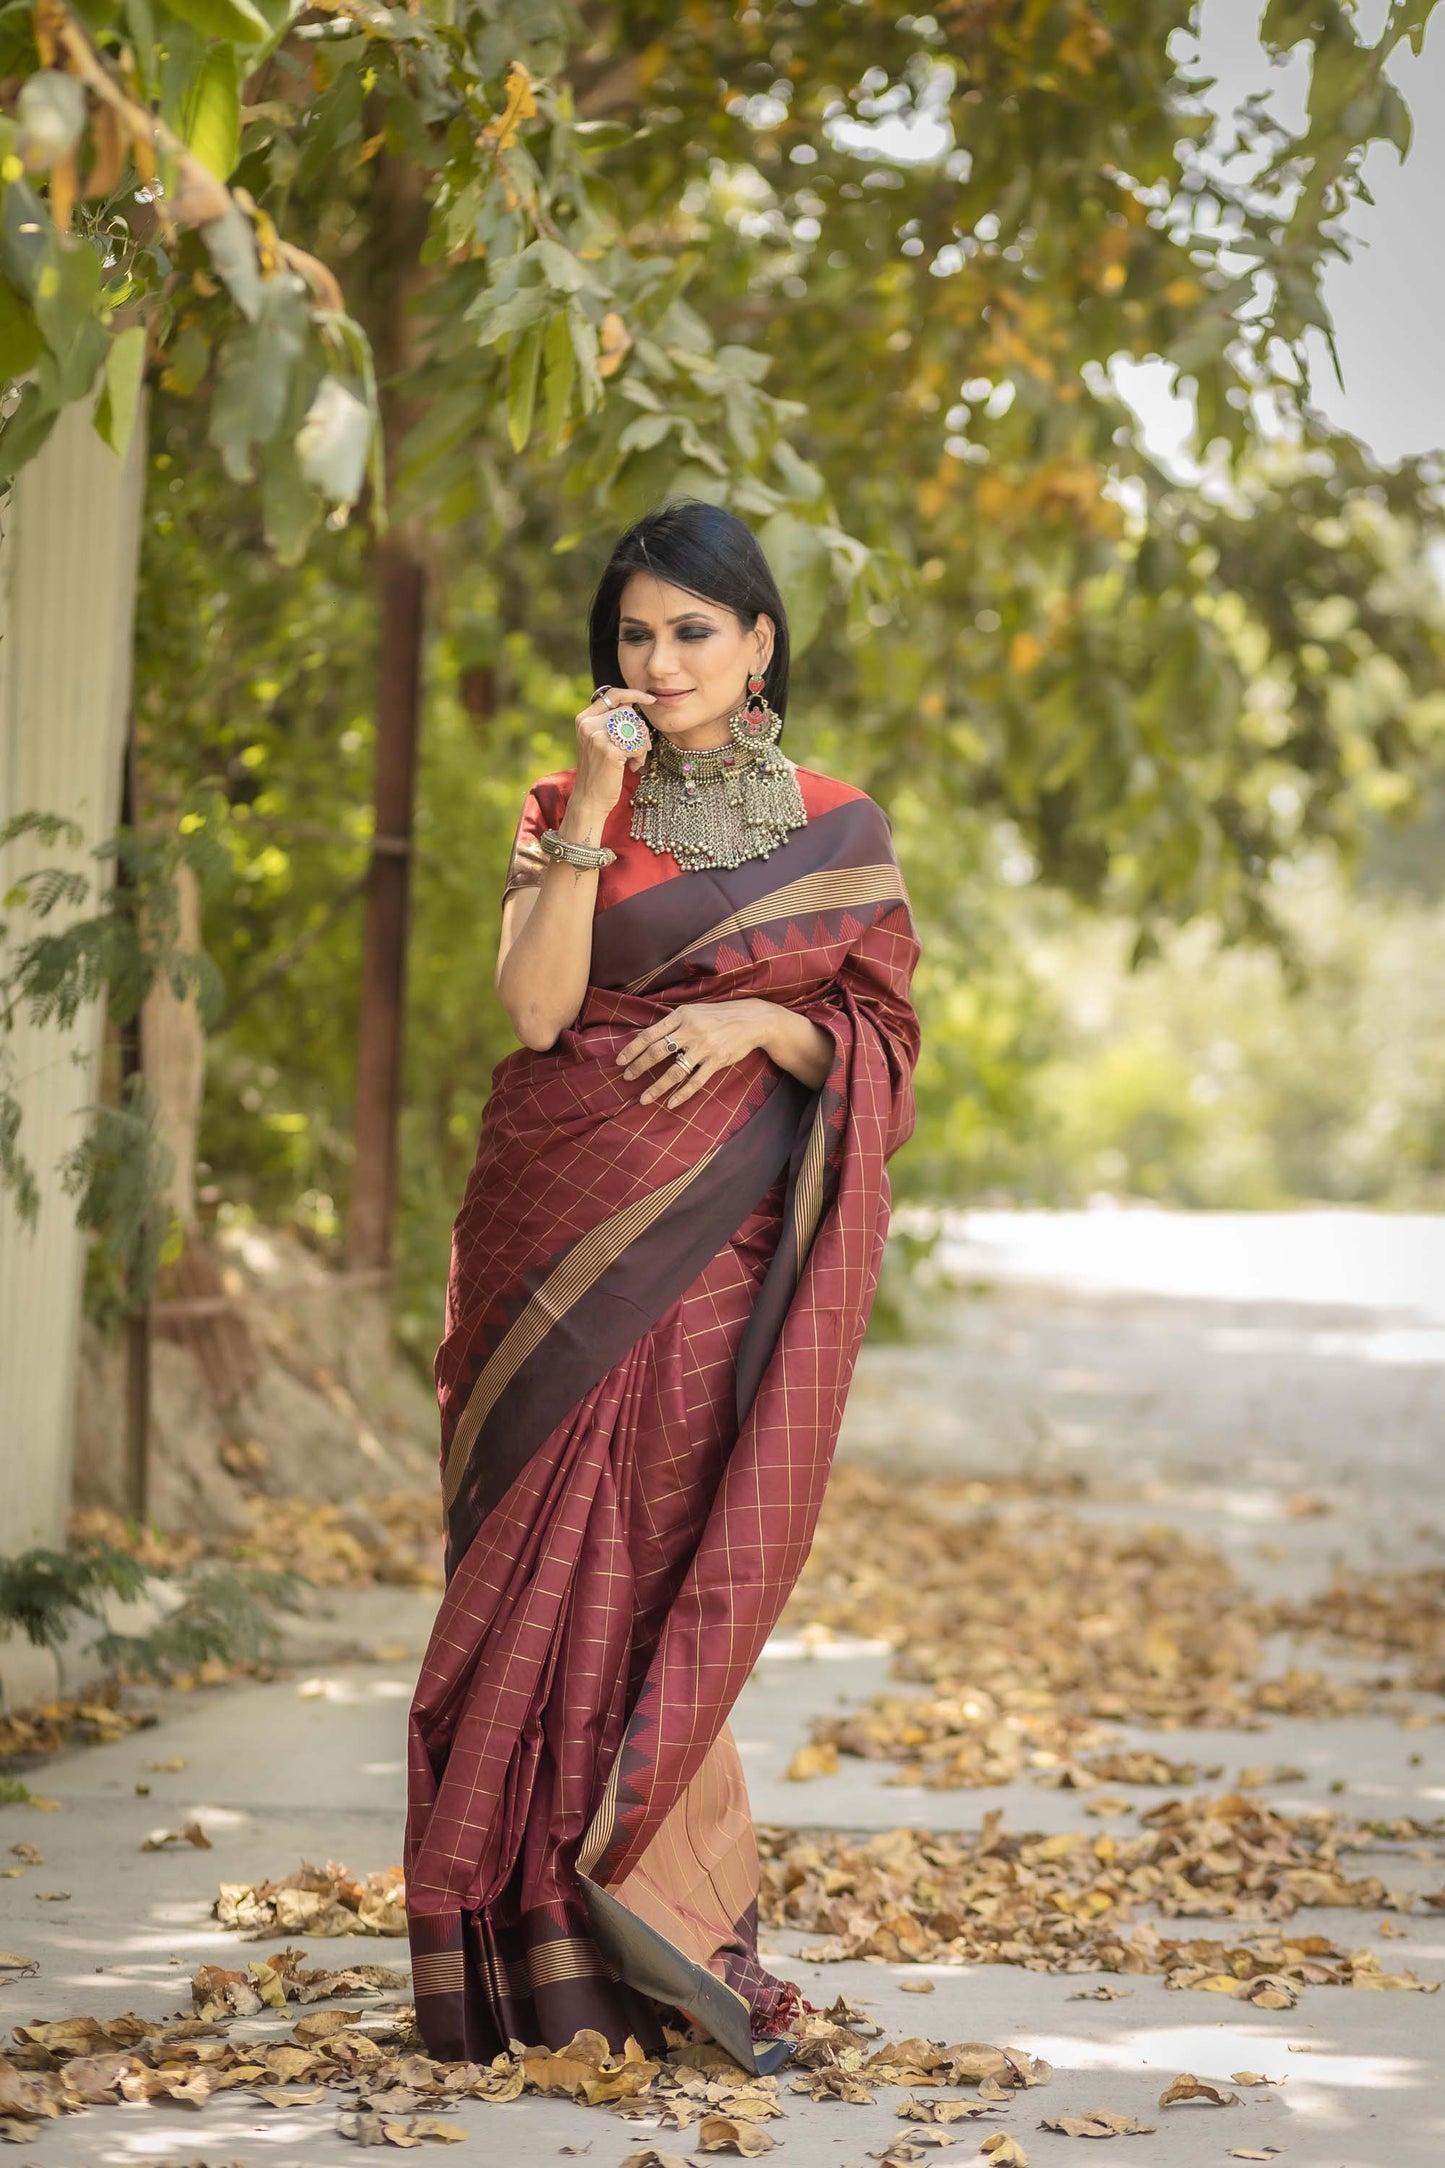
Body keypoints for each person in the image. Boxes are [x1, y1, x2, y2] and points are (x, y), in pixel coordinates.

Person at [404, 497, 920, 2075]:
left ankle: (657, 1932)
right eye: (636, 633)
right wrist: (596, 802)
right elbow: (537, 1006)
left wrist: (767, 1031)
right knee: (523, 1587)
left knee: (645, 1580)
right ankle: (510, 1951)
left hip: (716, 1252)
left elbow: (883, 1038)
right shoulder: (570, 803)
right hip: (551, 1234)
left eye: (693, 628)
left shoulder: (839, 828)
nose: (662, 655)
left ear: (759, 641)